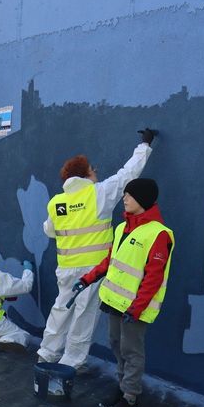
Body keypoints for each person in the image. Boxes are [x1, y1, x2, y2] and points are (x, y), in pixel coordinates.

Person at [38, 129, 156, 371]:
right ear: (86, 173)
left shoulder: (56, 202)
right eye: (93, 169)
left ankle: (46, 353)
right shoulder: (98, 193)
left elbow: (49, 230)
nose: (96, 172)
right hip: (93, 270)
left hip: (66, 269)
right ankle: (70, 363)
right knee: (83, 317)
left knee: (60, 309)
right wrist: (144, 145)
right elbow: (128, 174)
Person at [76, 179, 173, 407]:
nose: (125, 199)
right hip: (115, 303)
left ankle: (130, 400)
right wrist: (88, 279)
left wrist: (137, 308)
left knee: (132, 351)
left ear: (142, 199)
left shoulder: (159, 234)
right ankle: (122, 389)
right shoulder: (122, 228)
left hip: (135, 309)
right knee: (117, 346)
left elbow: (154, 277)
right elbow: (110, 261)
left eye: (129, 195)